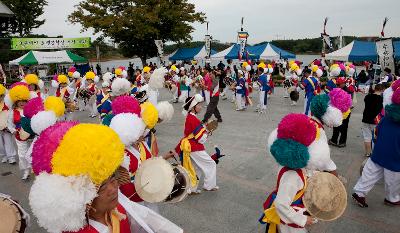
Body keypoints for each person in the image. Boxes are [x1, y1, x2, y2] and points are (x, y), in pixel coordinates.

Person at [29, 122, 183, 233]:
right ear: (79, 197)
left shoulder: (117, 208)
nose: (114, 187)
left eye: (113, 177)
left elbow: (146, 218)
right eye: (102, 186)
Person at [261, 113, 341, 233]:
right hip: (290, 220)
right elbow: (281, 205)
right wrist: (302, 219)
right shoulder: (291, 177)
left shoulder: (291, 166)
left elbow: (304, 174)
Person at [352, 86, 400, 207]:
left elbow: (377, 131)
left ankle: (359, 192)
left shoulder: (387, 118)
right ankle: (391, 199)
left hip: (379, 152)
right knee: (393, 181)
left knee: (370, 173)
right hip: (395, 157)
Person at [173, 94, 218, 193]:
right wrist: (208, 131)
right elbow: (201, 139)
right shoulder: (193, 119)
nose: (201, 107)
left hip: (189, 146)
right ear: (193, 107)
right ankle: (209, 186)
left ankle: (191, 188)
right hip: (193, 147)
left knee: (195, 167)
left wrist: (205, 130)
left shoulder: (190, 117)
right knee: (211, 164)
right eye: (199, 105)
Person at [7, 83, 32, 180]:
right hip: (19, 137)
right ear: (16, 101)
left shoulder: (30, 110)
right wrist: (14, 131)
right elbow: (10, 124)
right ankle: (26, 171)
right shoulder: (12, 112)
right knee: (22, 154)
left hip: (32, 136)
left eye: (24, 101)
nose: (22, 103)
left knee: (33, 152)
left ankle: (35, 168)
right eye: (19, 101)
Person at [361, 84, 384, 157]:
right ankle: (374, 154)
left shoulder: (367, 96)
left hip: (366, 119)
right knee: (375, 137)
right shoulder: (381, 99)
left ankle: (368, 153)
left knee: (367, 137)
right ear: (382, 90)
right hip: (375, 120)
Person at [328, 78, 352, 147]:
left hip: (345, 112)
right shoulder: (339, 90)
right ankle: (334, 140)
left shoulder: (346, 91)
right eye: (337, 84)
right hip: (338, 112)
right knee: (336, 126)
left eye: (339, 84)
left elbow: (349, 102)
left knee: (343, 127)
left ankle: (342, 142)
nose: (338, 86)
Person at [0, 84, 16, 164]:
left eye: (0, 96)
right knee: (0, 145)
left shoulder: (7, 103)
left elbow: (11, 115)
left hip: (6, 127)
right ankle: (4, 155)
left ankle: (11, 157)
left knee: (9, 142)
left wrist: (9, 126)